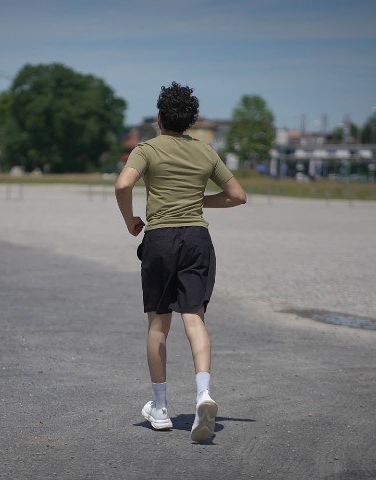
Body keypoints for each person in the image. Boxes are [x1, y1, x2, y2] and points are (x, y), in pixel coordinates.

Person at [114, 82, 247, 442]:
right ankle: (203, 393)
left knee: (159, 324)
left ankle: (160, 409)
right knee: (195, 318)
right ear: (190, 120)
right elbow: (237, 196)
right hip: (197, 240)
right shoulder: (205, 152)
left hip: (160, 239)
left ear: (159, 117)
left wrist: (130, 221)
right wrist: (200, 201)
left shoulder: (147, 149)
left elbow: (123, 185)